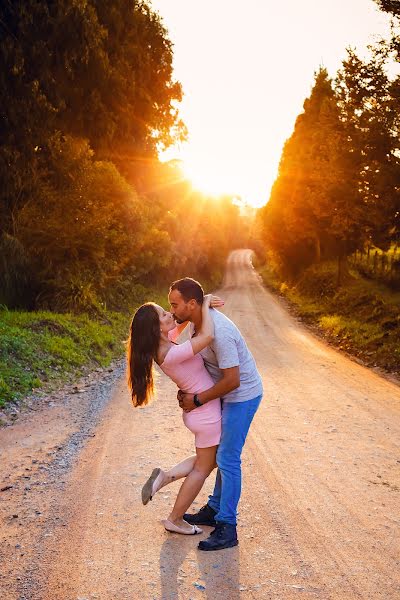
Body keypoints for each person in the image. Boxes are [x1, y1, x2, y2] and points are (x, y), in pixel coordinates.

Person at [168, 277, 263, 551]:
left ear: (192, 304)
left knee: (227, 458)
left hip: (242, 396)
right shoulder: (196, 320)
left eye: (175, 304)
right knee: (222, 454)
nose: (172, 310)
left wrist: (197, 400)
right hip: (223, 394)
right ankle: (215, 508)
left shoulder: (218, 331)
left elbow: (232, 380)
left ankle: (227, 527)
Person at [126, 294, 224, 535]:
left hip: (199, 413)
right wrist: (206, 303)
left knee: (209, 460)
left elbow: (179, 321)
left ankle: (165, 477)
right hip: (205, 413)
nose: (170, 315)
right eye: (164, 314)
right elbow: (208, 336)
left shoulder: (163, 344)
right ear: (156, 328)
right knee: (203, 467)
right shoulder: (171, 353)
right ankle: (175, 519)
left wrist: (195, 303)